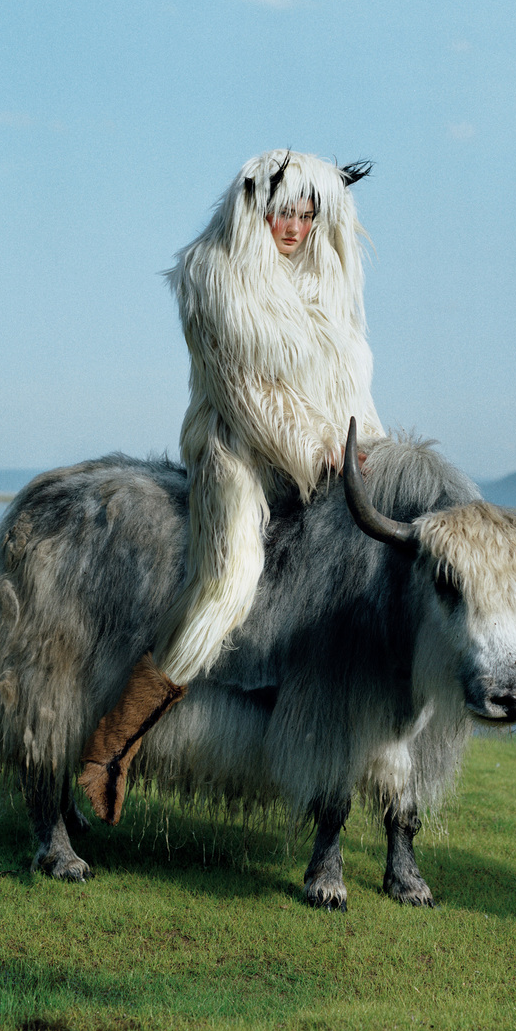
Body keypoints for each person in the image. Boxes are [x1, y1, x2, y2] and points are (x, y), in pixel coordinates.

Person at [80, 150, 383, 823]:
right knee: (229, 580)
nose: (297, 226)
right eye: (285, 211)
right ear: (254, 205)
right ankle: (113, 744)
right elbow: (243, 391)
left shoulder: (327, 284)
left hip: (332, 456)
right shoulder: (210, 275)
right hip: (236, 448)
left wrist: (370, 453)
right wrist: (316, 449)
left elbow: (352, 389)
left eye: (309, 212)